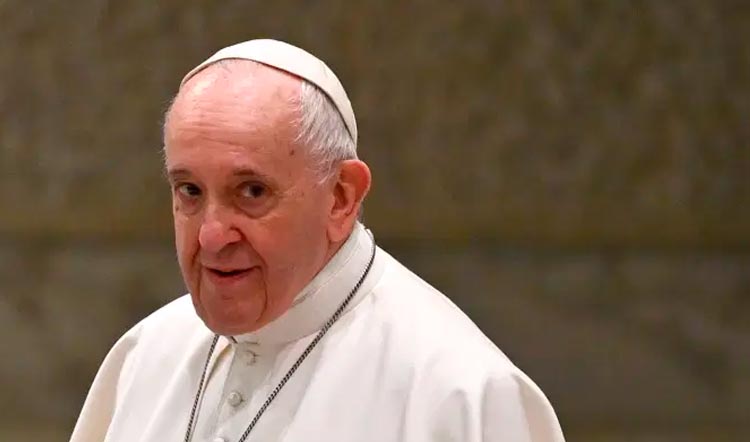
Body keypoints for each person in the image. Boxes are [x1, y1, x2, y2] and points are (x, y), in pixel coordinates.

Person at [70, 39, 565, 442]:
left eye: (252, 192)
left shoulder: (460, 395)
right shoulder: (145, 356)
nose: (212, 236)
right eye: (190, 191)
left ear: (341, 198)